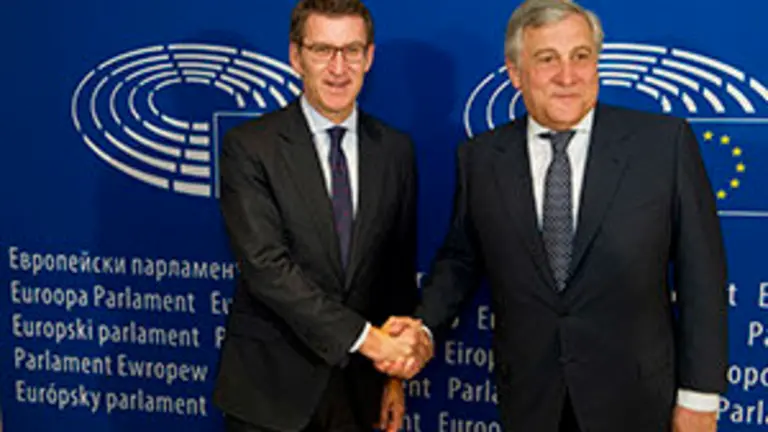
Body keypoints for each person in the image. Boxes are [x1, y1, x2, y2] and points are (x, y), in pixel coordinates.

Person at [381, 1, 728, 431]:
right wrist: (423, 332)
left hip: (638, 403)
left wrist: (700, 398)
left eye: (581, 56)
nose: (568, 76)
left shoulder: (663, 144)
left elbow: (703, 277)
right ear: (514, 72)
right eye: (548, 60)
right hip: (531, 401)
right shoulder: (481, 158)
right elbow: (461, 260)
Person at [212, 1, 419, 431]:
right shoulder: (250, 147)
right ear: (295, 56)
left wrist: (393, 378)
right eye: (323, 49)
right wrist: (370, 341)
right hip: (271, 394)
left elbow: (395, 272)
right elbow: (266, 267)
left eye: (352, 50)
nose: (338, 68)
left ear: (370, 57)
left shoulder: (395, 150)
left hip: (361, 393)